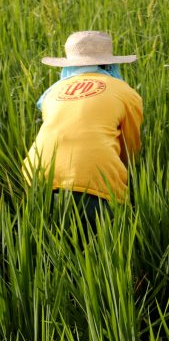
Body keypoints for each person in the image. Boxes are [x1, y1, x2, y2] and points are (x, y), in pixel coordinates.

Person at [23, 30, 143, 226]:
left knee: (49, 244)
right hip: (96, 180)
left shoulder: (51, 93)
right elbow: (130, 150)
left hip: (36, 179)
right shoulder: (125, 93)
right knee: (107, 244)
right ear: (108, 63)